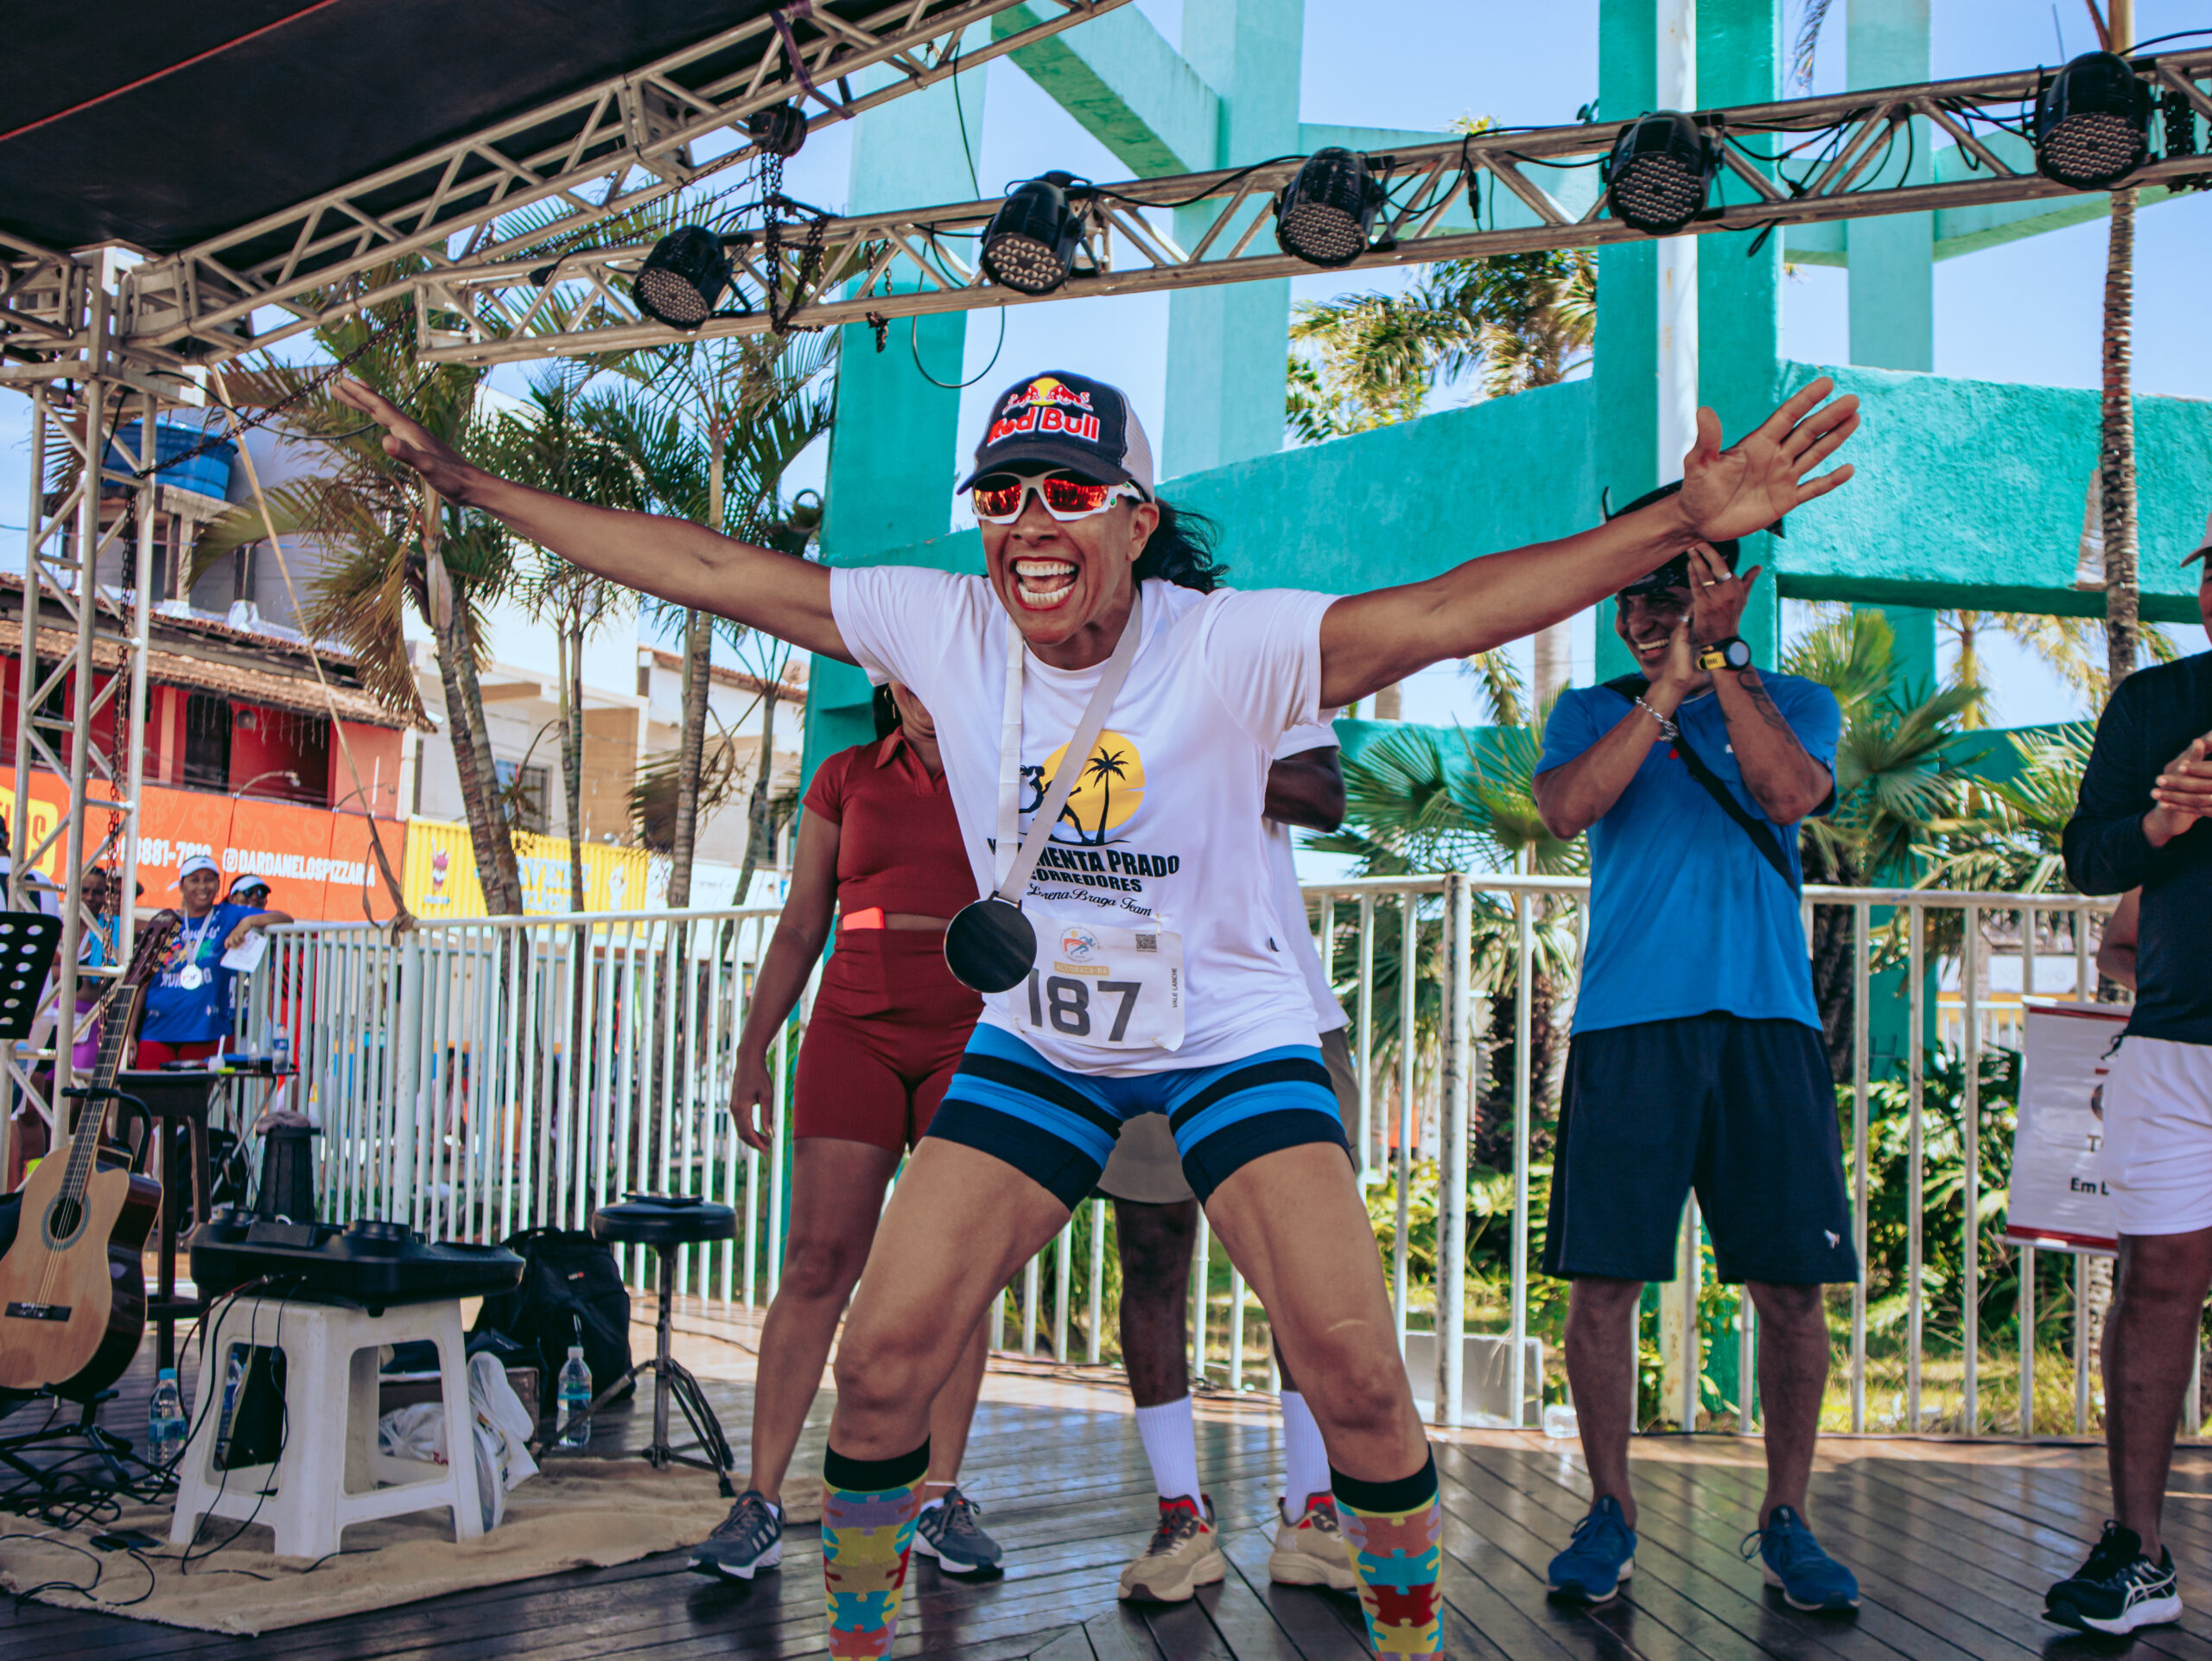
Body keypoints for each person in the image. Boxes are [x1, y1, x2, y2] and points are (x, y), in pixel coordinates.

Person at [335, 366, 1856, 1659]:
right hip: (1046, 1037)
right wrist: (472, 484)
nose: (1029, 523)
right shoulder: (942, 624)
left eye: (1068, 491)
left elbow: (1453, 612)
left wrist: (1677, 521)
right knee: (884, 1359)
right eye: (1002, 496)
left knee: (1356, 1371)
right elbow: (714, 571)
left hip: (1230, 1029)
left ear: (1135, 517)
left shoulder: (1228, 640)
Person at [1530, 485, 1860, 1614]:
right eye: (1629, 597)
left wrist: (1719, 666)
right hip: (1628, 1023)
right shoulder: (1589, 709)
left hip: (1768, 1022)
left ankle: (1787, 1518)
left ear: (1723, 591)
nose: (1643, 614)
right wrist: (1665, 691)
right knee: (1602, 1282)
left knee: (1792, 1288)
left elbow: (1787, 792)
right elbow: (1568, 808)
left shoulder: (1795, 700)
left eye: (1669, 592)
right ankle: (1608, 1507)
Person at [690, 681, 1004, 1585]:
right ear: (887, 679)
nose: (928, 689)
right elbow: (801, 924)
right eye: (908, 672)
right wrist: (752, 1047)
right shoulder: (844, 775)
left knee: (958, 1272)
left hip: (971, 1029)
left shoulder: (1009, 769)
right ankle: (758, 1499)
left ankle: (939, 1498)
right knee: (817, 1260)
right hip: (852, 1026)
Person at [1105, 719, 1367, 1602]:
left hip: (1275, 1008)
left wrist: (1173, 743)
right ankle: (1181, 1513)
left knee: (1304, 1268)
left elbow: (1318, 794)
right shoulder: (1081, 681)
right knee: (1149, 1255)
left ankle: (1312, 1510)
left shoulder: (1261, 669)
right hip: (1137, 1002)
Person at [2044, 519, 2212, 1637]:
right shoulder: (2153, 703)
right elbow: (2087, 855)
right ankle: (2138, 1553)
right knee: (2156, 1285)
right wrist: (2165, 816)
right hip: (2174, 1046)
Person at [136, 854, 291, 1066]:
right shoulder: (166, 920)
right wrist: (129, 1033)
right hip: (156, 1030)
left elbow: (285, 918)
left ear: (218, 886)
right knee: (147, 1088)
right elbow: (143, 980)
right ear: (181, 886)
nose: (202, 886)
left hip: (205, 1031)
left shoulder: (227, 914)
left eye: (209, 879)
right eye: (195, 880)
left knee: (198, 1089)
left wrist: (247, 923)